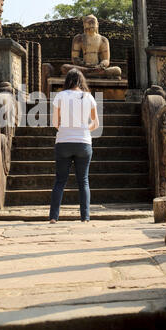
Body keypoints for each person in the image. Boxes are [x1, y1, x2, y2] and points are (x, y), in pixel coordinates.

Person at [49, 68, 99, 224]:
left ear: (67, 81)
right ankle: (85, 217)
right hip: (84, 143)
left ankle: (53, 217)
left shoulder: (60, 96)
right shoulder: (89, 97)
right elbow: (96, 124)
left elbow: (55, 123)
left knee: (60, 181)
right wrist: (83, 129)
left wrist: (66, 130)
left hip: (63, 142)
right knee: (83, 181)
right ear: (81, 81)